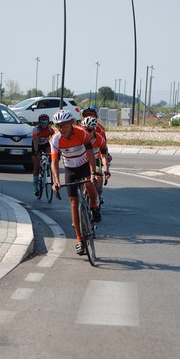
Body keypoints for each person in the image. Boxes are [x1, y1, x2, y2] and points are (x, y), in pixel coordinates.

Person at [51, 109, 101, 256]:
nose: (61, 129)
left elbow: (90, 153)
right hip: (70, 169)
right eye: (58, 126)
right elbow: (54, 161)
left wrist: (92, 173)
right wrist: (56, 181)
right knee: (73, 203)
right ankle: (79, 240)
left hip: (84, 165)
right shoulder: (55, 139)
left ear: (71, 123)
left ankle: (94, 205)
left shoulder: (82, 133)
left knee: (89, 184)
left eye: (64, 125)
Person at [80, 115, 110, 200]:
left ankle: (98, 195)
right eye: (85, 129)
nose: (87, 132)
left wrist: (106, 170)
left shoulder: (100, 139)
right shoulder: (80, 138)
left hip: (95, 160)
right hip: (82, 161)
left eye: (89, 130)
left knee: (98, 177)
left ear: (94, 129)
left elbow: (104, 156)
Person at [31, 113, 55, 196]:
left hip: (45, 144)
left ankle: (47, 166)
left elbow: (54, 140)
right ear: (39, 122)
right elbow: (35, 141)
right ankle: (35, 187)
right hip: (36, 145)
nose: (44, 124)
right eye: (42, 122)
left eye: (45, 122)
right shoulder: (36, 130)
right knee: (36, 165)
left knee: (51, 155)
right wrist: (37, 151)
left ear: (48, 122)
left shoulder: (50, 129)